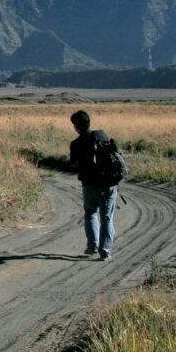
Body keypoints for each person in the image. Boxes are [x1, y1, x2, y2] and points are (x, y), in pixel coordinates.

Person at [69, 110, 119, 261]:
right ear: (89, 123)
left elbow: (73, 164)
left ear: (76, 126)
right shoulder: (102, 135)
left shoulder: (76, 144)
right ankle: (105, 252)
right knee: (107, 218)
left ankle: (92, 246)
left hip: (89, 184)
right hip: (109, 184)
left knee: (91, 213)